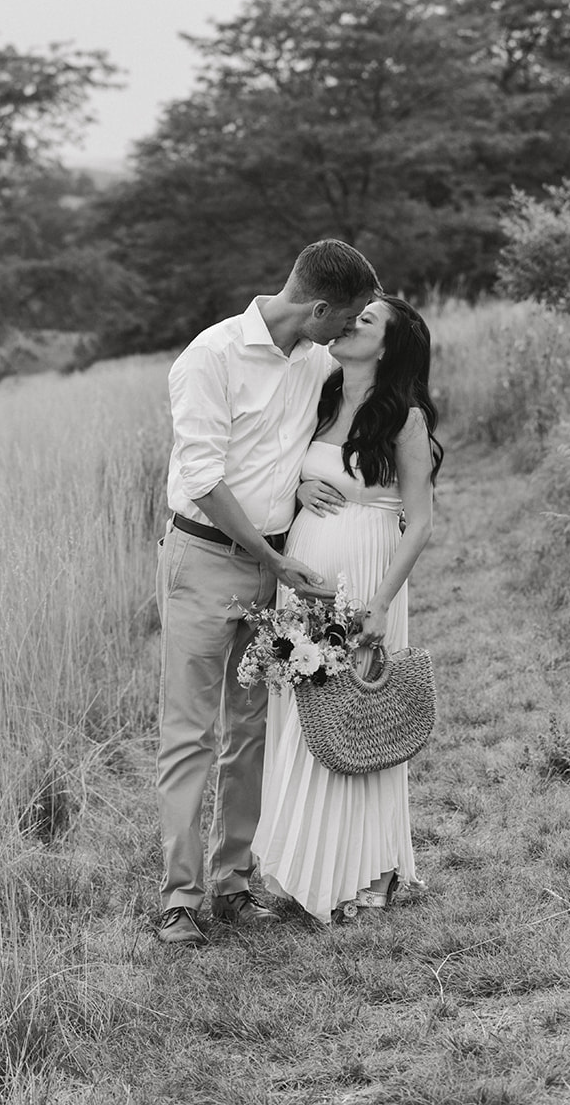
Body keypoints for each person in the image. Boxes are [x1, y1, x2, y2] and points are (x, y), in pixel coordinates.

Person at [155, 239, 381, 947]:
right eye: (342, 322)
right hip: (204, 557)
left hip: (273, 566)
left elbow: (296, 446)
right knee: (190, 733)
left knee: (250, 731)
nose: (344, 336)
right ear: (317, 308)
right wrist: (273, 562)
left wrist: (304, 488)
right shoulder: (209, 357)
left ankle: (232, 881)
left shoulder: (315, 361)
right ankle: (180, 899)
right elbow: (203, 478)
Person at [252, 295, 443, 927]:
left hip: (367, 576)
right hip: (303, 579)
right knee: (305, 714)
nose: (349, 324)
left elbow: (420, 523)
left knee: (360, 713)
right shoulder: (325, 396)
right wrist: (302, 487)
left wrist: (383, 602)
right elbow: (295, 470)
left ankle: (368, 869)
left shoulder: (404, 416)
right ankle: (298, 864)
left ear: (387, 346)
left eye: (366, 321)